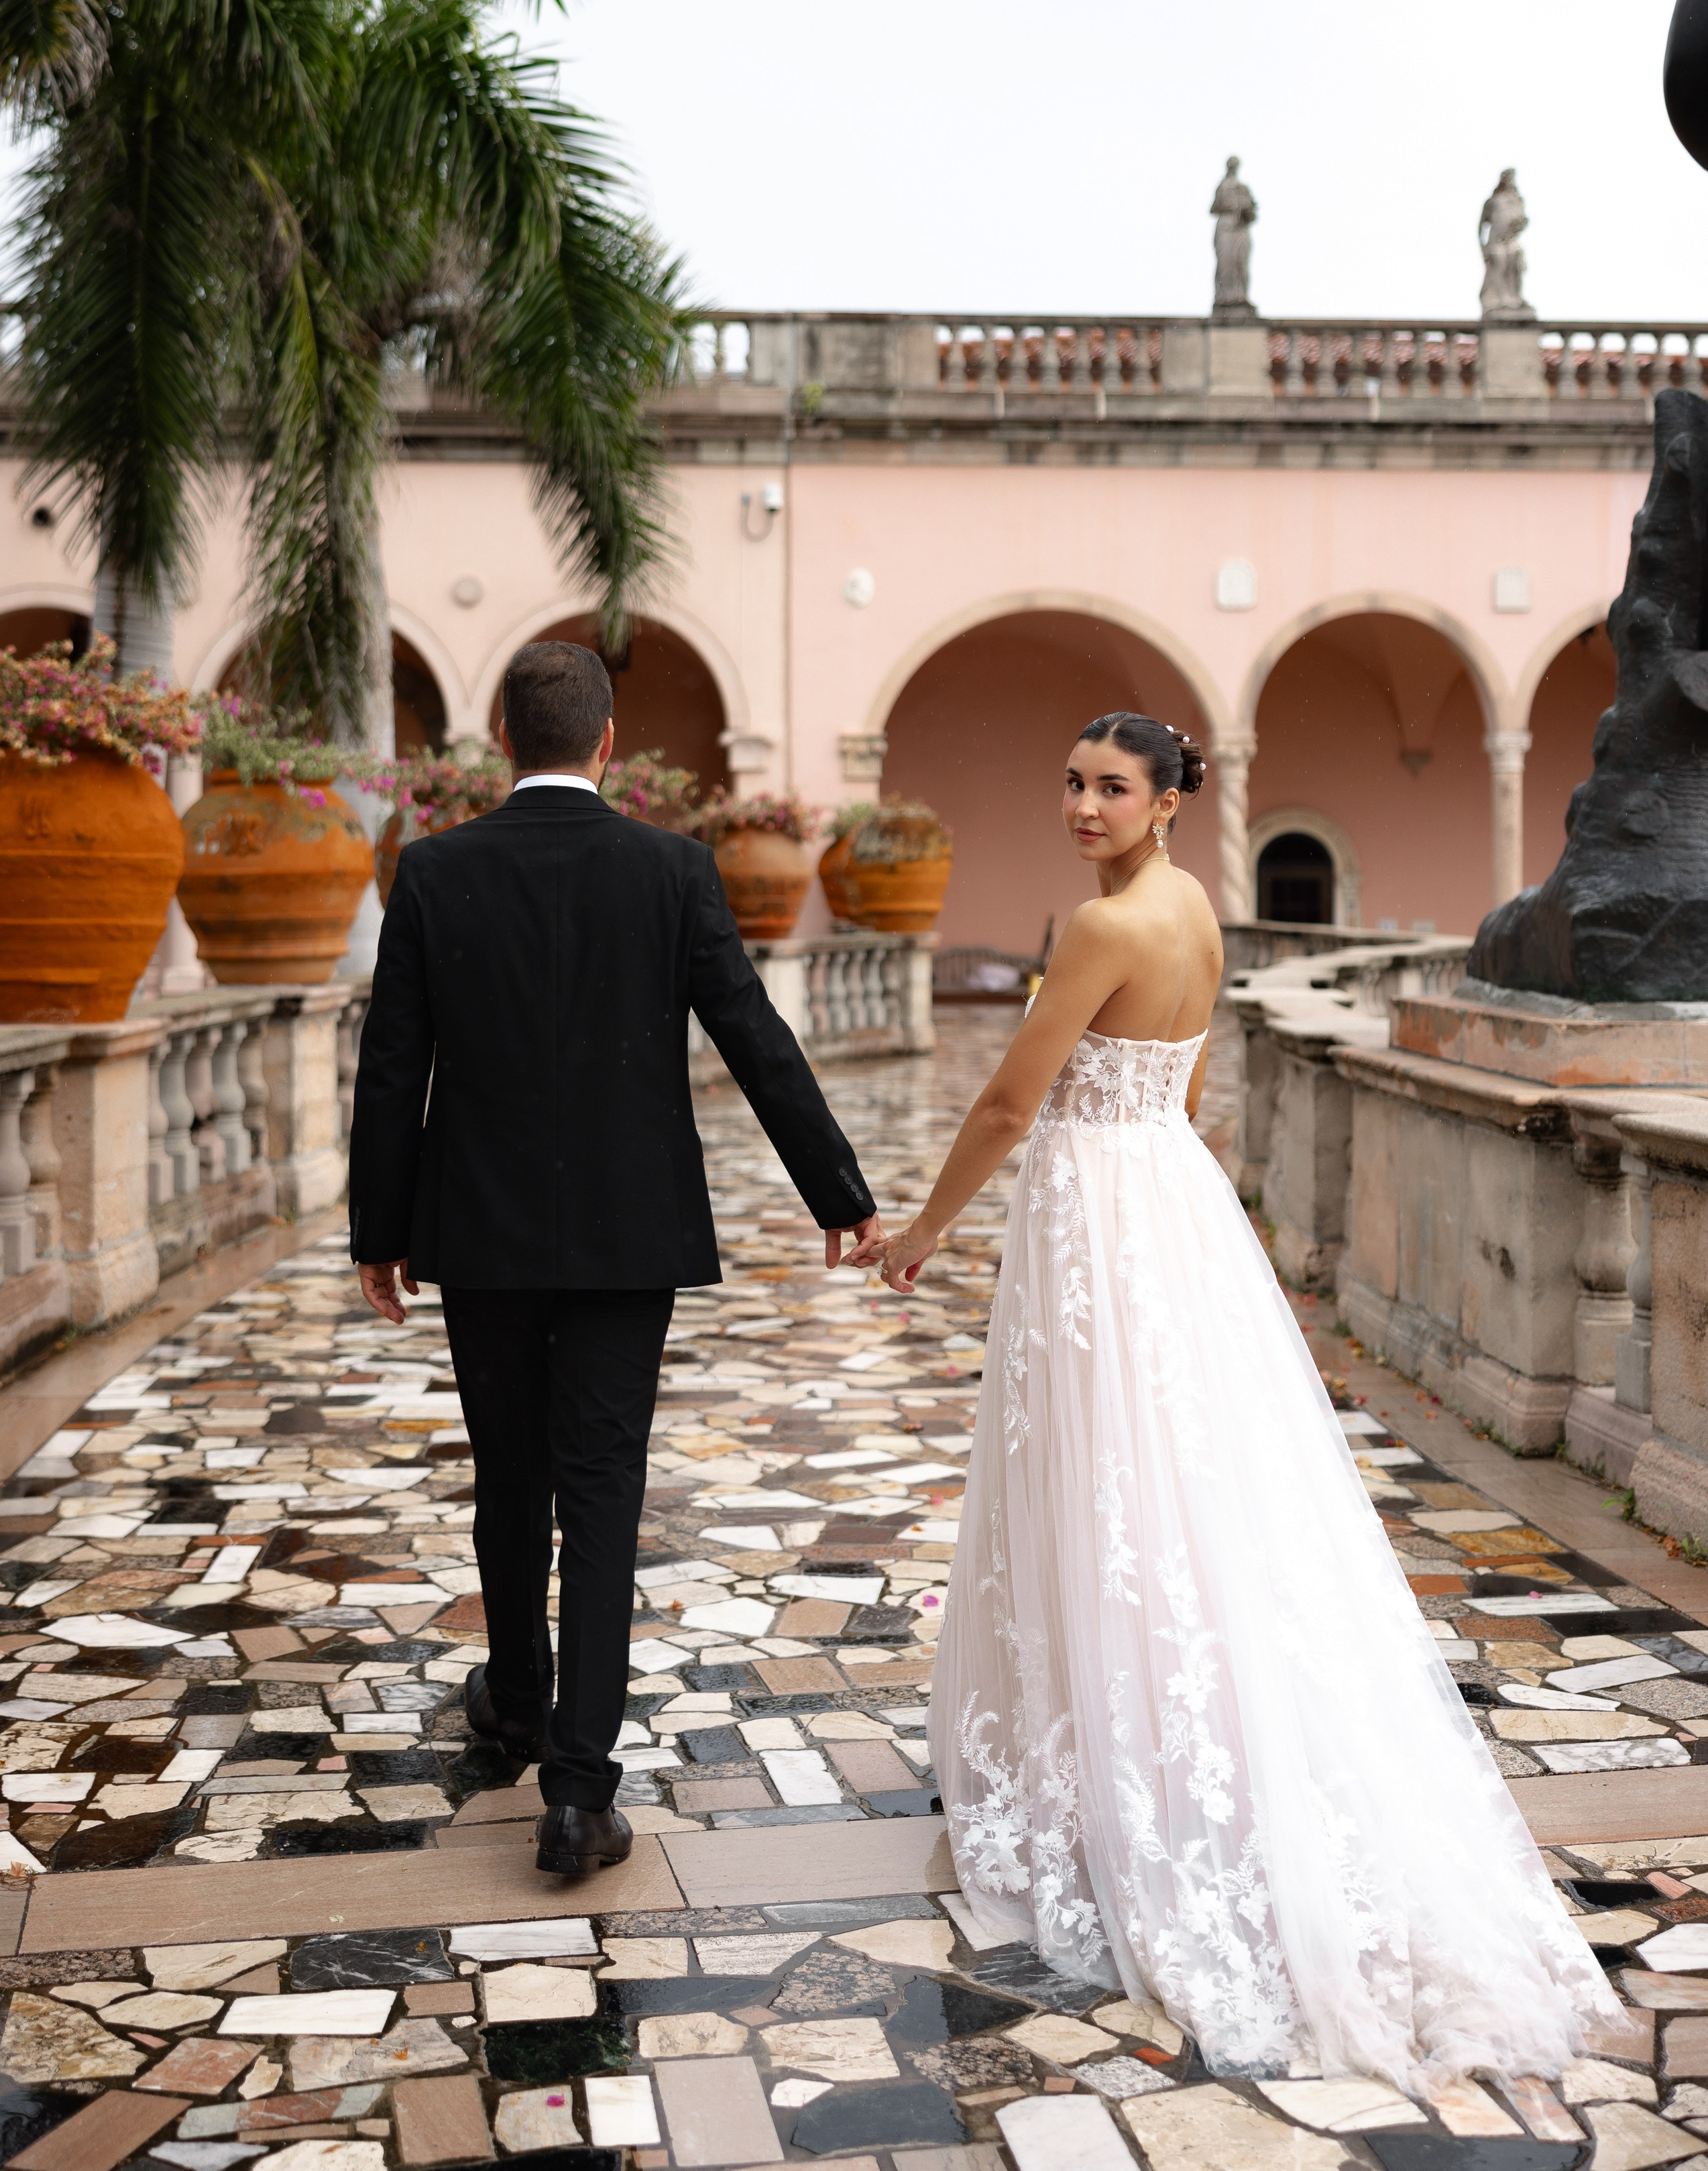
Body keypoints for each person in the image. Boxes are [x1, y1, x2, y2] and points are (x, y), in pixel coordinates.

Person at [854, 712, 1617, 2093]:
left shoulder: (1099, 931)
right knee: (1180, 1476)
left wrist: (918, 1229)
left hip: (1097, 1205)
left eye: (1109, 787)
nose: (1081, 803)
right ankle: (1134, 1738)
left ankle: (1115, 1774)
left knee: (1103, 1478)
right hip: (1168, 1192)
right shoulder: (1195, 903)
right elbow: (1186, 1071)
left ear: (1163, 804)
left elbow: (1007, 1101)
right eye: (1070, 780)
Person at [349, 639, 883, 1879]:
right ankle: (579, 1791)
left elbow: (392, 1067)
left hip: (477, 1235)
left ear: (503, 740)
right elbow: (752, 1032)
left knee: (507, 1475)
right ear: (606, 745)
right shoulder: (671, 869)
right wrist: (839, 1191)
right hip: (624, 1239)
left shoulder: (433, 871)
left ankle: (521, 1703)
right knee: (600, 1494)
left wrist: (382, 1231)